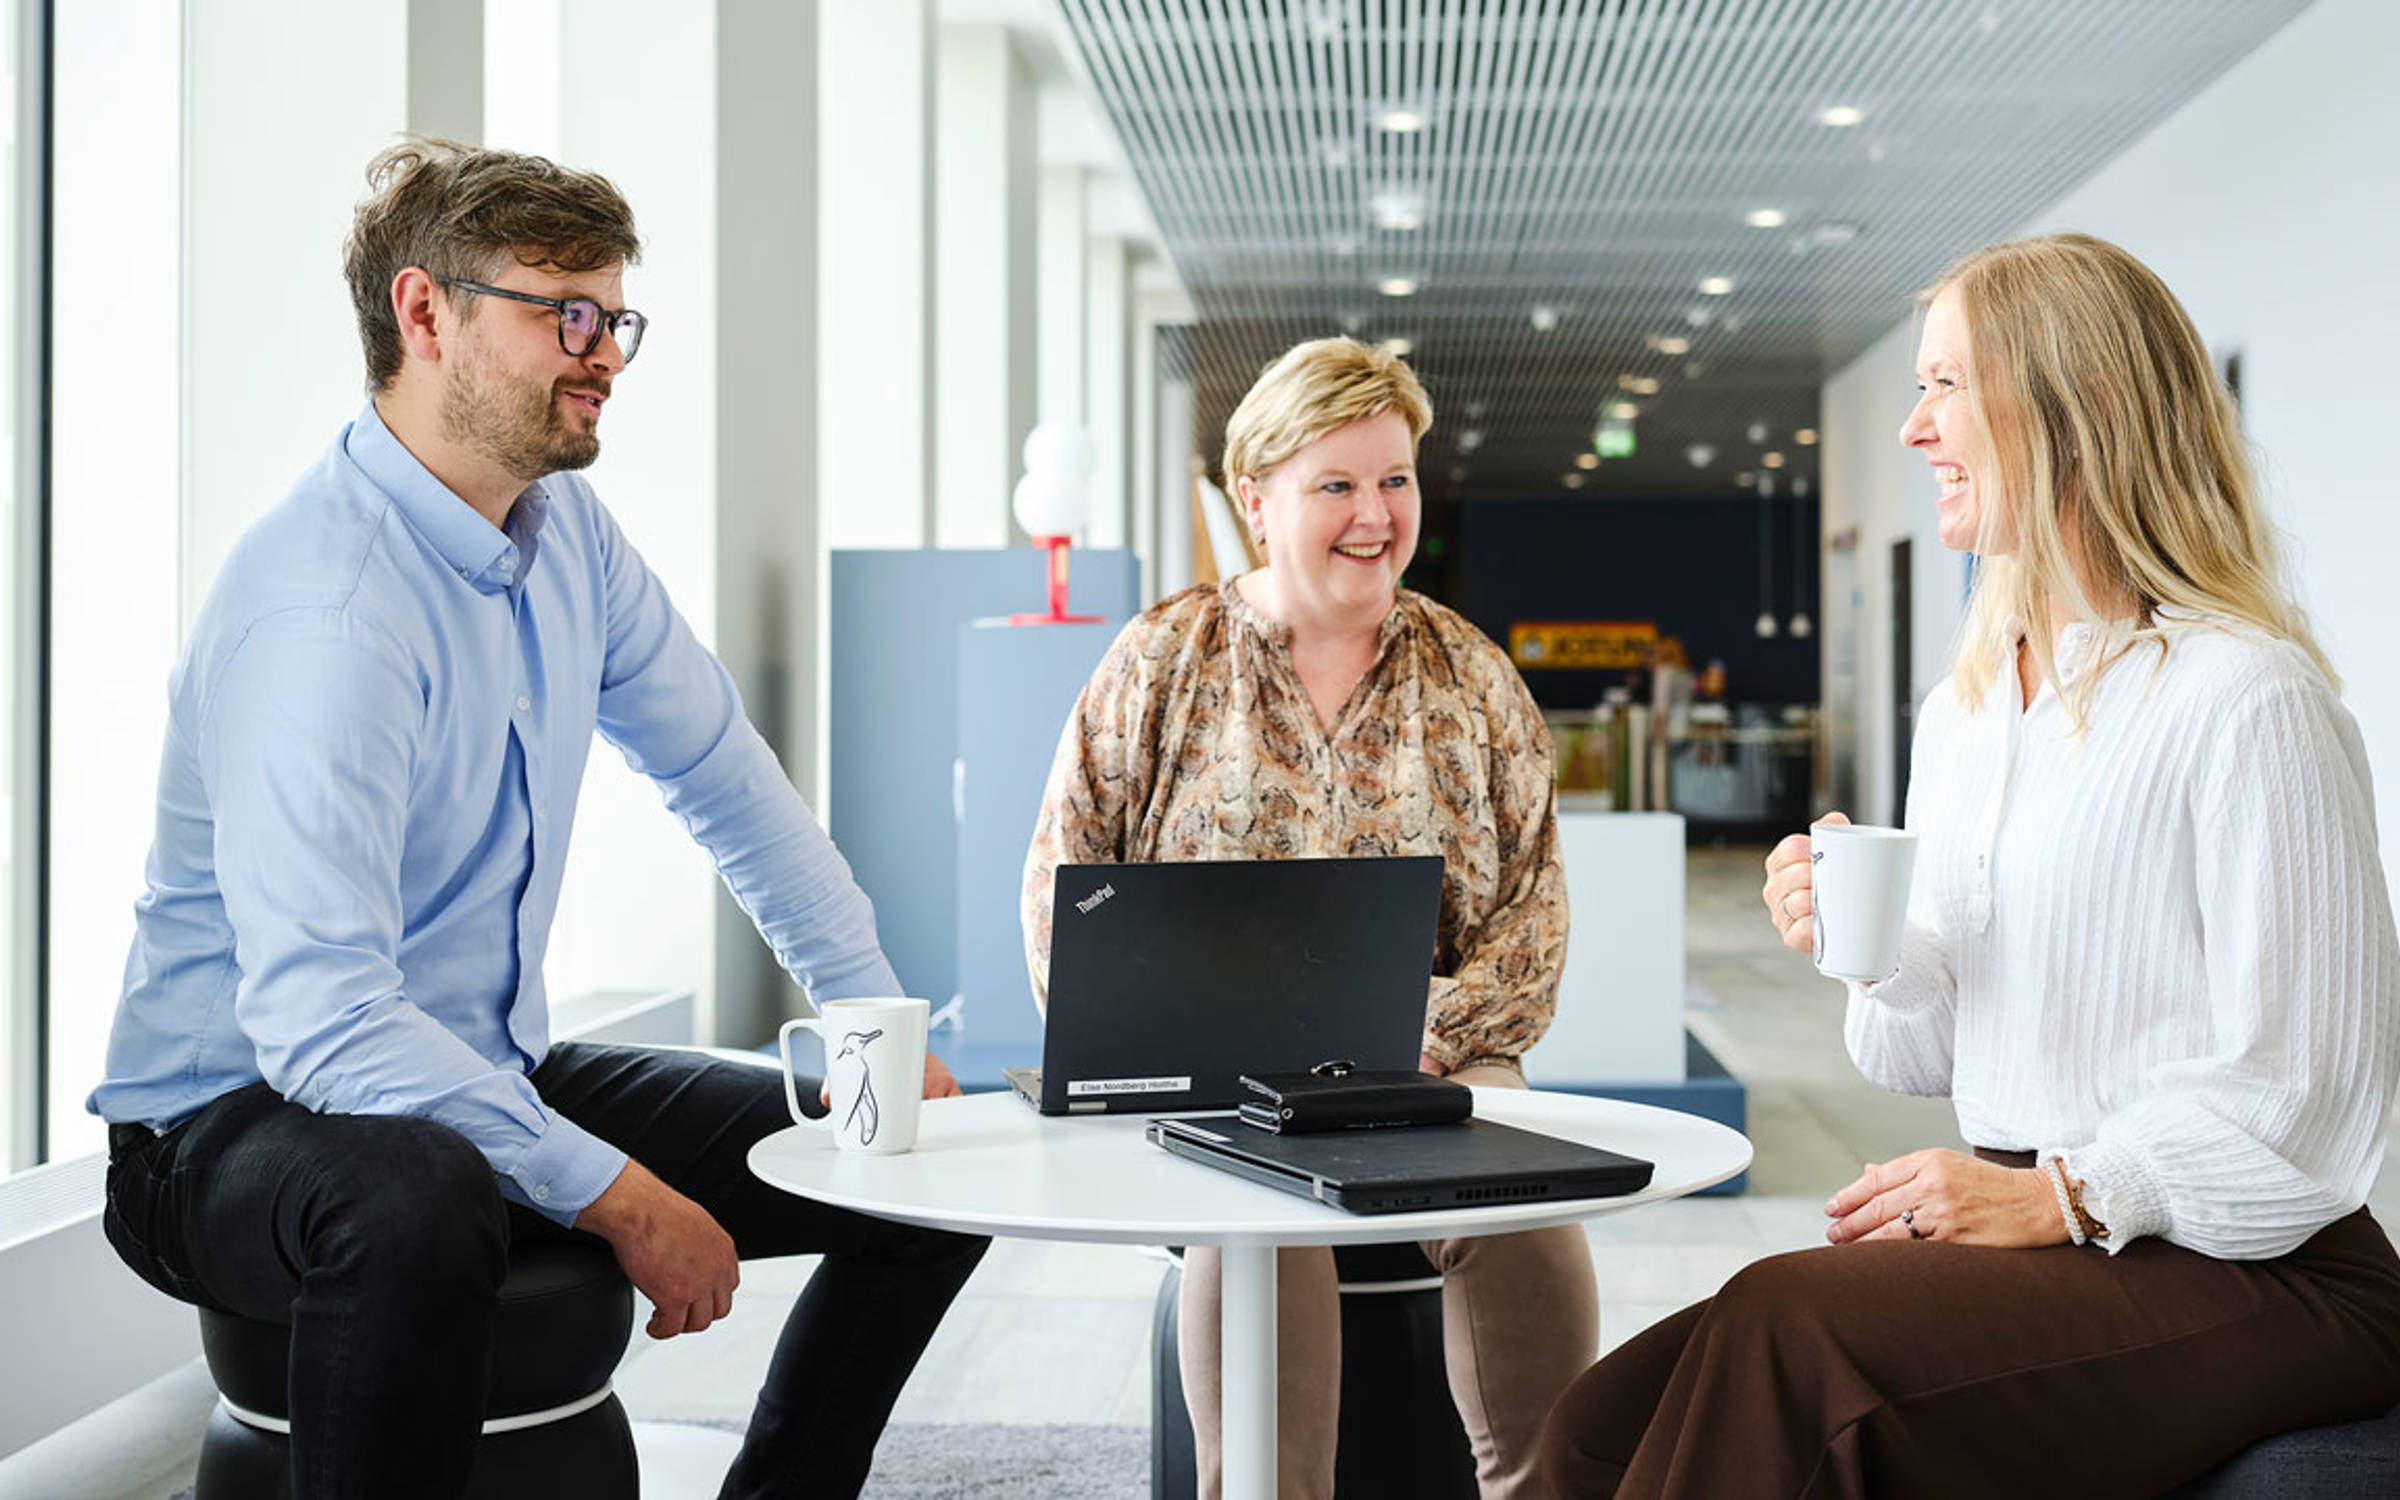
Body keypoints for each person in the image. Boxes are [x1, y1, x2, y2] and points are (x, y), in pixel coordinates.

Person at [87, 138, 987, 1500]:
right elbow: (325, 1022)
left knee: (910, 1170)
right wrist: (625, 1199)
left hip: (465, 1075)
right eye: (561, 314)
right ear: (425, 313)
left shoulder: (569, 537)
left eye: (613, 317)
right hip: (231, 1122)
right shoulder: (324, 610)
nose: (603, 352)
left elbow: (726, 781)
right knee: (417, 1202)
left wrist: (873, 1025)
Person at [1538, 233, 2400, 1497]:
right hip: (2041, 1218)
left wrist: (2068, 1193)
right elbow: (1919, 1059)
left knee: (1789, 1330)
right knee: (1598, 1426)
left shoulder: (2245, 699)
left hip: (2256, 1264)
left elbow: (2310, 1097)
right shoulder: (1966, 711)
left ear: (2075, 404)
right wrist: (1863, 949)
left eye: (1945, 384)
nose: (1912, 428)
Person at [1022, 337, 1599, 1500]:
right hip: (1222, 1089)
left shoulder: (1473, 676)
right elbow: (1062, 896)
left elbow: (1532, 926)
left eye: (1394, 480)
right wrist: (1206, 1048)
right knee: (1257, 1229)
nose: (1375, 514)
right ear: (1256, 497)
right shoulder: (1161, 663)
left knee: (1528, 1217)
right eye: (1336, 485)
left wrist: (1407, 1041)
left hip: (1436, 1073)